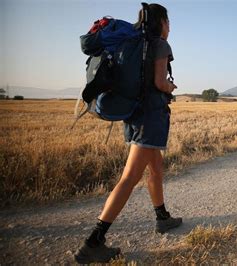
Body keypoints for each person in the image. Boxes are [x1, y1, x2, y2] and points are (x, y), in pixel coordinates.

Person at [74, 4, 181, 264]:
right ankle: (94, 242)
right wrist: (171, 85)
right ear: (162, 22)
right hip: (150, 117)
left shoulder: (137, 43)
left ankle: (162, 217)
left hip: (134, 115)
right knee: (130, 178)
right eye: (169, 22)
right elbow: (158, 82)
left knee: (155, 167)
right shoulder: (159, 45)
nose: (170, 27)